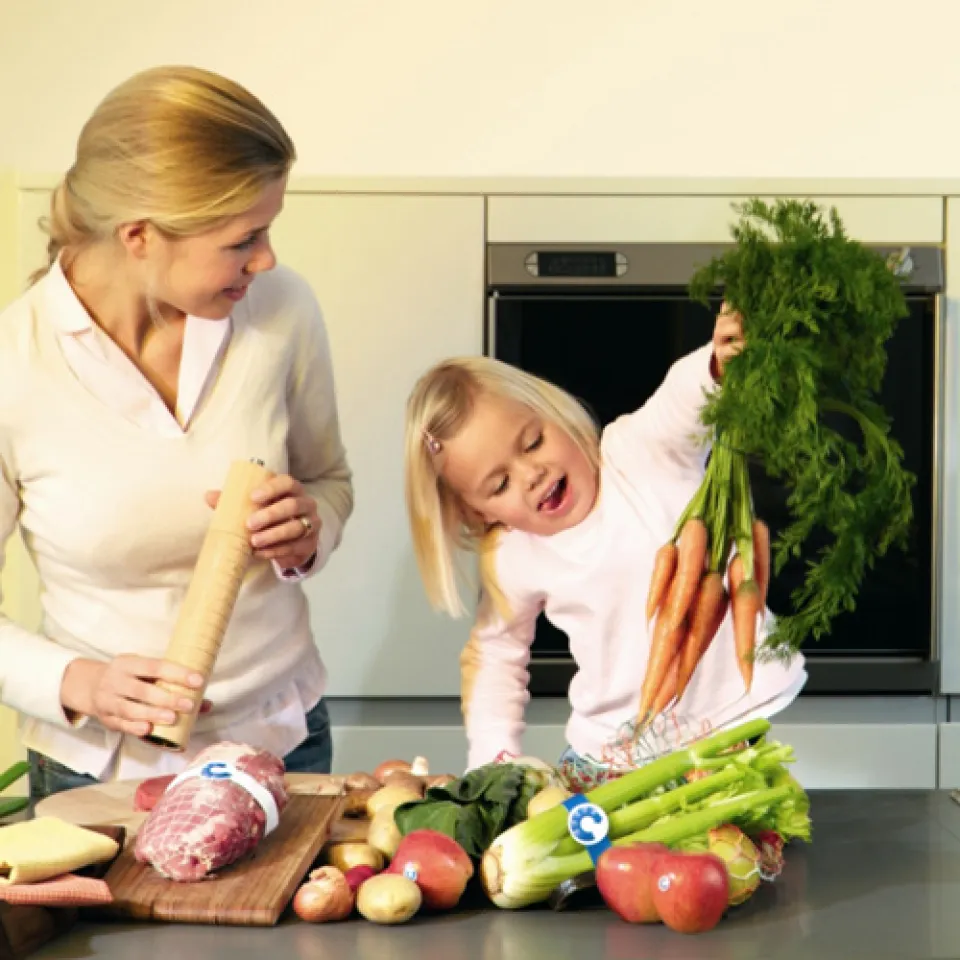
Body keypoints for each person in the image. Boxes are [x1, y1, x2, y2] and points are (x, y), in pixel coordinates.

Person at [0, 65, 354, 802]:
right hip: (96, 769)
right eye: (243, 239)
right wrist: (77, 683)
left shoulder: (282, 309)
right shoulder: (14, 365)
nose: (267, 260)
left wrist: (308, 528)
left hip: (282, 740)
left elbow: (330, 479)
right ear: (138, 236)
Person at [403, 308, 806, 773]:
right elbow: (496, 657)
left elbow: (678, 403)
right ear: (480, 512)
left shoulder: (635, 452)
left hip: (724, 733)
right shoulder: (513, 555)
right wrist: (494, 763)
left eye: (532, 442)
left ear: (554, 414)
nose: (531, 475)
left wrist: (716, 366)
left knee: (729, 841)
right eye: (499, 485)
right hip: (608, 756)